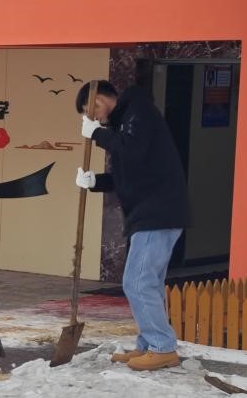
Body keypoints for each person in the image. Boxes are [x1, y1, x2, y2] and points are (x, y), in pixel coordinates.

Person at [75, 80, 188, 371]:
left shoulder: (139, 110)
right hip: (147, 213)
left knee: (136, 282)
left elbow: (132, 151)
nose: (94, 119)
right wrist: (96, 181)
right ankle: (148, 345)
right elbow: (128, 171)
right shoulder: (124, 123)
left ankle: (163, 347)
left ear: (101, 100)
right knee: (147, 282)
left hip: (158, 212)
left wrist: (98, 134)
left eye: (91, 112)